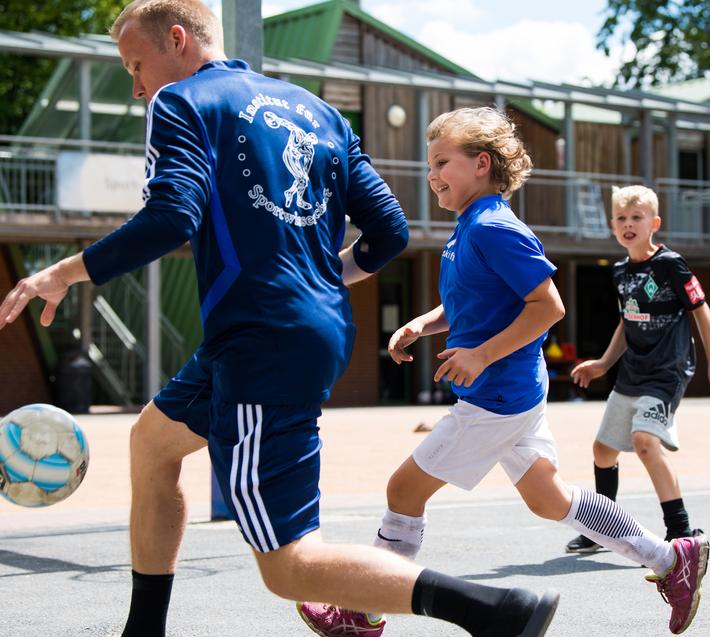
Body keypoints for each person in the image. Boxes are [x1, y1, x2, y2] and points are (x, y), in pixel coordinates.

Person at [0, 2, 561, 636]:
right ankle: (144, 629)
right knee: (152, 442)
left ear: (178, 39)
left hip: (259, 343)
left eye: (136, 64)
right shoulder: (319, 112)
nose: (135, 86)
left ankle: (495, 611)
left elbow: (169, 220)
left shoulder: (181, 102)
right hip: (290, 331)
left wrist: (63, 272)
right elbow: (389, 232)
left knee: (289, 564)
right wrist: (322, 277)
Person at [299, 107, 710, 636]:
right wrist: (424, 325)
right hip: (514, 392)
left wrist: (481, 355)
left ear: (481, 164)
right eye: (430, 165)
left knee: (403, 491)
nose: (432, 176)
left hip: (497, 397)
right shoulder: (470, 227)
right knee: (550, 498)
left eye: (442, 162)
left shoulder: (494, 227)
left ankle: (363, 611)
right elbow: (475, 302)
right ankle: (672, 560)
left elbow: (547, 306)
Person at [563, 184, 710, 558]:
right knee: (603, 451)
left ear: (654, 223)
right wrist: (604, 363)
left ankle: (680, 531)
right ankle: (600, 529)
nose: (628, 224)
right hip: (632, 372)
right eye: (621, 218)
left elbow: (700, 310)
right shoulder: (621, 271)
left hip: (667, 371)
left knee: (645, 442)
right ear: (612, 226)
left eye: (636, 217)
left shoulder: (671, 264)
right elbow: (628, 320)